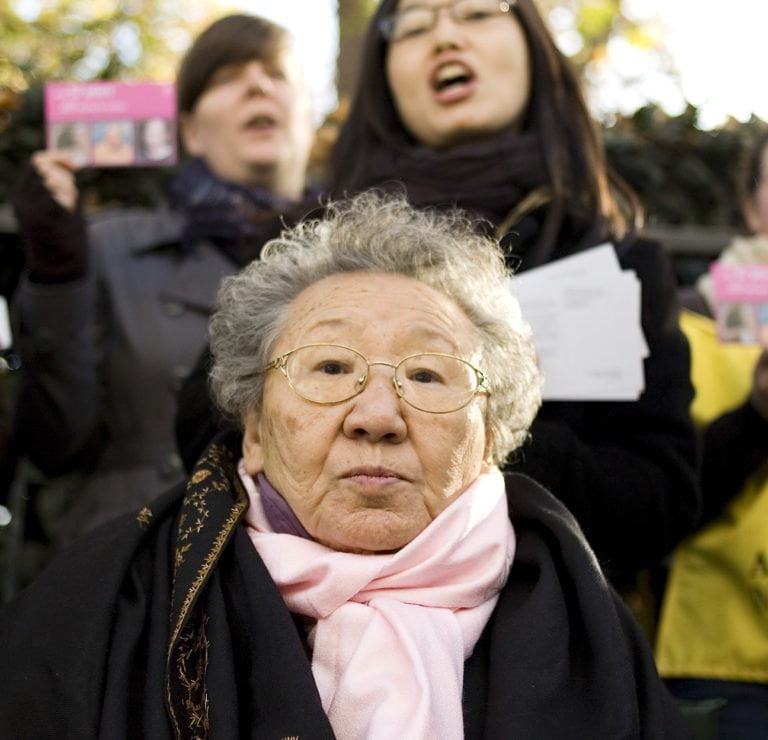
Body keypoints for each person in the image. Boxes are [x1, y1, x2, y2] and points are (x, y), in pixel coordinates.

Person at [0, 192, 691, 738]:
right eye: (330, 367)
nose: (377, 416)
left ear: (489, 441)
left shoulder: (588, 630)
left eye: (427, 375)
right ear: (256, 431)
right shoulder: (101, 606)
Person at [310, 0, 700, 579]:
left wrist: (477, 430)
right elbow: (215, 417)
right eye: (414, 26)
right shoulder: (312, 247)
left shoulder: (619, 266)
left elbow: (657, 502)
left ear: (535, 52)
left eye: (476, 14)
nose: (444, 35)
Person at [10, 13, 316, 545]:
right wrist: (58, 271)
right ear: (191, 132)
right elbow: (56, 442)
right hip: (140, 570)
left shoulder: (362, 260)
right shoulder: (109, 246)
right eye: (227, 78)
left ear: (309, 117)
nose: (257, 84)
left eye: (277, 74)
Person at [655, 134, 768, 738]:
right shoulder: (692, 320)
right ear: (752, 205)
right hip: (726, 662)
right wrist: (755, 416)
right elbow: (670, 502)